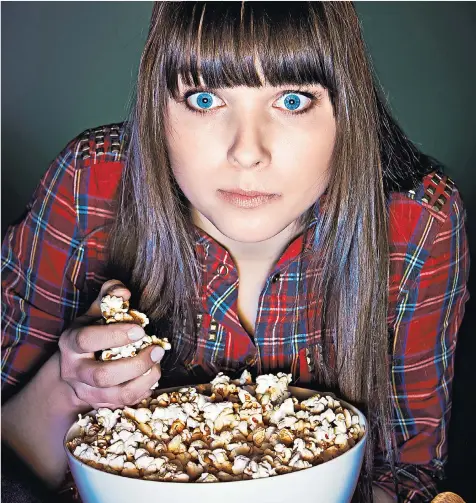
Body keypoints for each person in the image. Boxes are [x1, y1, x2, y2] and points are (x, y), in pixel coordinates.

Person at [1, 2, 469, 502]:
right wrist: (72, 385)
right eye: (204, 99)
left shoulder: (417, 226)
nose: (248, 151)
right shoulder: (88, 187)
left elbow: (408, 471)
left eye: (292, 101)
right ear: (157, 107)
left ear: (348, 109)